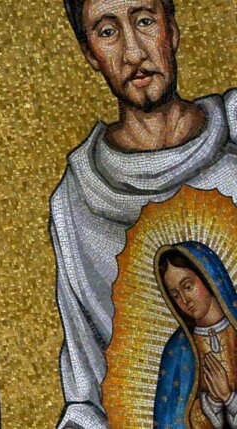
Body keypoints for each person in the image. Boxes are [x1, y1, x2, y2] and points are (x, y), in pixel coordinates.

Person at [52, 0, 237, 427]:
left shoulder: (233, 141)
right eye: (107, 31)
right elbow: (86, 392)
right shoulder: (76, 201)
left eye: (145, 21)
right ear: (89, 53)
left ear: (172, 29)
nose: (133, 52)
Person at [154, 243, 237, 429]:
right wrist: (213, 402)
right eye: (175, 295)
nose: (185, 300)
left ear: (209, 278)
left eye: (188, 286)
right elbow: (171, 418)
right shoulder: (178, 349)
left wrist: (229, 398)